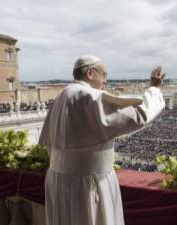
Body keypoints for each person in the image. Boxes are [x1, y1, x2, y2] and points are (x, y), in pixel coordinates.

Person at [39, 55, 166, 225]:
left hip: (58, 181)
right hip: (88, 184)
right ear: (91, 73)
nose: (106, 81)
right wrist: (155, 89)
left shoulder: (62, 96)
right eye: (104, 75)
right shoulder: (89, 97)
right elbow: (138, 116)